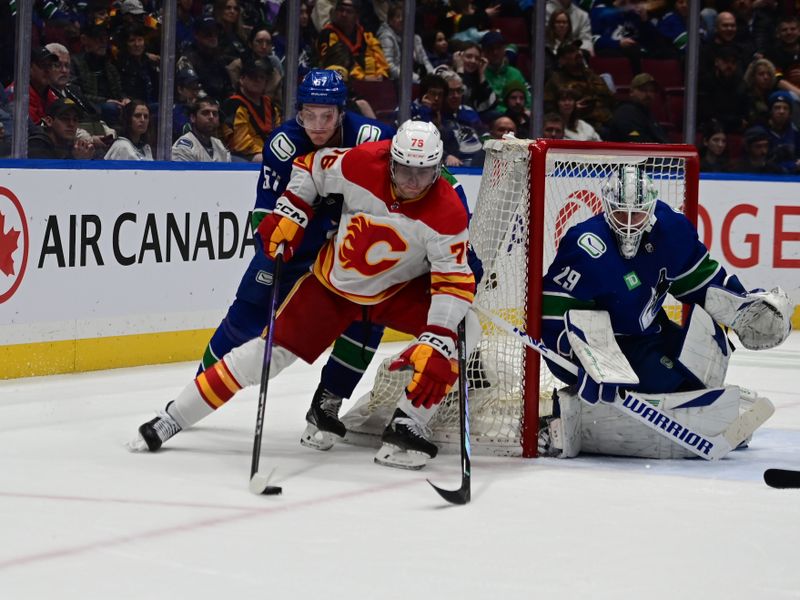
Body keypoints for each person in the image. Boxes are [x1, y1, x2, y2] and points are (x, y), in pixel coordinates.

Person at [129, 120, 477, 470]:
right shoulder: (362, 163)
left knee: (465, 330)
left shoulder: (447, 210)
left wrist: (438, 340)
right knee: (262, 357)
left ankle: (407, 422)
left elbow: (453, 283)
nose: (413, 182)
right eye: (404, 170)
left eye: (424, 172)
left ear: (438, 168)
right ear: (390, 160)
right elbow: (311, 168)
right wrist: (291, 208)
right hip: (332, 287)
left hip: (395, 292)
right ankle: (172, 418)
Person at [150, 70, 394, 453]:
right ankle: (196, 391)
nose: (316, 126)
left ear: (341, 112)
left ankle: (327, 403)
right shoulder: (284, 144)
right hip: (294, 245)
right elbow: (264, 209)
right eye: (308, 115)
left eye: (326, 116)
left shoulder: (371, 139)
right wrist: (271, 241)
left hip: (347, 252)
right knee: (247, 314)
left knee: (368, 317)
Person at [537, 164, 791, 459]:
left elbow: (699, 278)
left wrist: (740, 305)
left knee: (705, 359)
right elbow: (554, 312)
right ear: (606, 208)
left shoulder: (671, 230)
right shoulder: (586, 247)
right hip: (608, 346)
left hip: (651, 332)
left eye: (638, 214)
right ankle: (562, 416)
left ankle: (696, 407)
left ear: (651, 208)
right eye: (621, 214)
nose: (630, 223)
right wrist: (581, 361)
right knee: (668, 384)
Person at [221, 58, 281, 162]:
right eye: (253, 77)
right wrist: (267, 153)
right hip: (242, 154)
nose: (258, 80)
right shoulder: (233, 104)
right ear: (242, 79)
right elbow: (239, 143)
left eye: (261, 77)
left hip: (267, 152)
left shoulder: (269, 105)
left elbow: (279, 132)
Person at [317, 0, 389, 81]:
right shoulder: (327, 35)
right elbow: (335, 64)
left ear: (357, 16)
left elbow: (382, 63)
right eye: (341, 10)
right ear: (335, 12)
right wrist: (363, 78)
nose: (344, 14)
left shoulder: (366, 37)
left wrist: (381, 75)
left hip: (372, 85)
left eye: (349, 11)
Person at [603, 72, 668, 143]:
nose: (648, 94)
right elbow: (638, 143)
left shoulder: (647, 114)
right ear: (631, 92)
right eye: (643, 90)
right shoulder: (626, 113)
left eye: (652, 91)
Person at [377, 1, 434, 83]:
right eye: (398, 16)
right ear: (390, 21)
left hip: (418, 78)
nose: (401, 20)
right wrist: (417, 79)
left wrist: (432, 77)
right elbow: (390, 67)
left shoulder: (415, 38)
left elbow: (425, 61)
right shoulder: (386, 37)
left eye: (404, 16)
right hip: (396, 82)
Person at [27, 98, 96, 159]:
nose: (71, 124)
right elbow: (46, 172)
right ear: (49, 121)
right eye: (65, 119)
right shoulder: (37, 144)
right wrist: (76, 161)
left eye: (75, 120)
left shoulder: (74, 145)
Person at [172, 97, 231, 162]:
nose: (211, 117)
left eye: (215, 114)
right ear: (193, 118)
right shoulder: (183, 148)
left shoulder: (219, 144)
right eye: (205, 113)